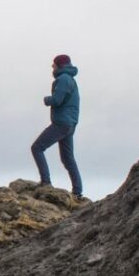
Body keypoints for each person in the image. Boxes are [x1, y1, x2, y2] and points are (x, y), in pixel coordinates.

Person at [32, 54, 83, 197]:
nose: (52, 66)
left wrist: (46, 100)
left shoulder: (63, 79)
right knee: (67, 158)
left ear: (59, 65)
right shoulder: (71, 80)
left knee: (37, 148)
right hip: (70, 124)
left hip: (61, 123)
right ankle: (77, 192)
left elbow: (57, 100)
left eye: (54, 64)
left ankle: (46, 182)